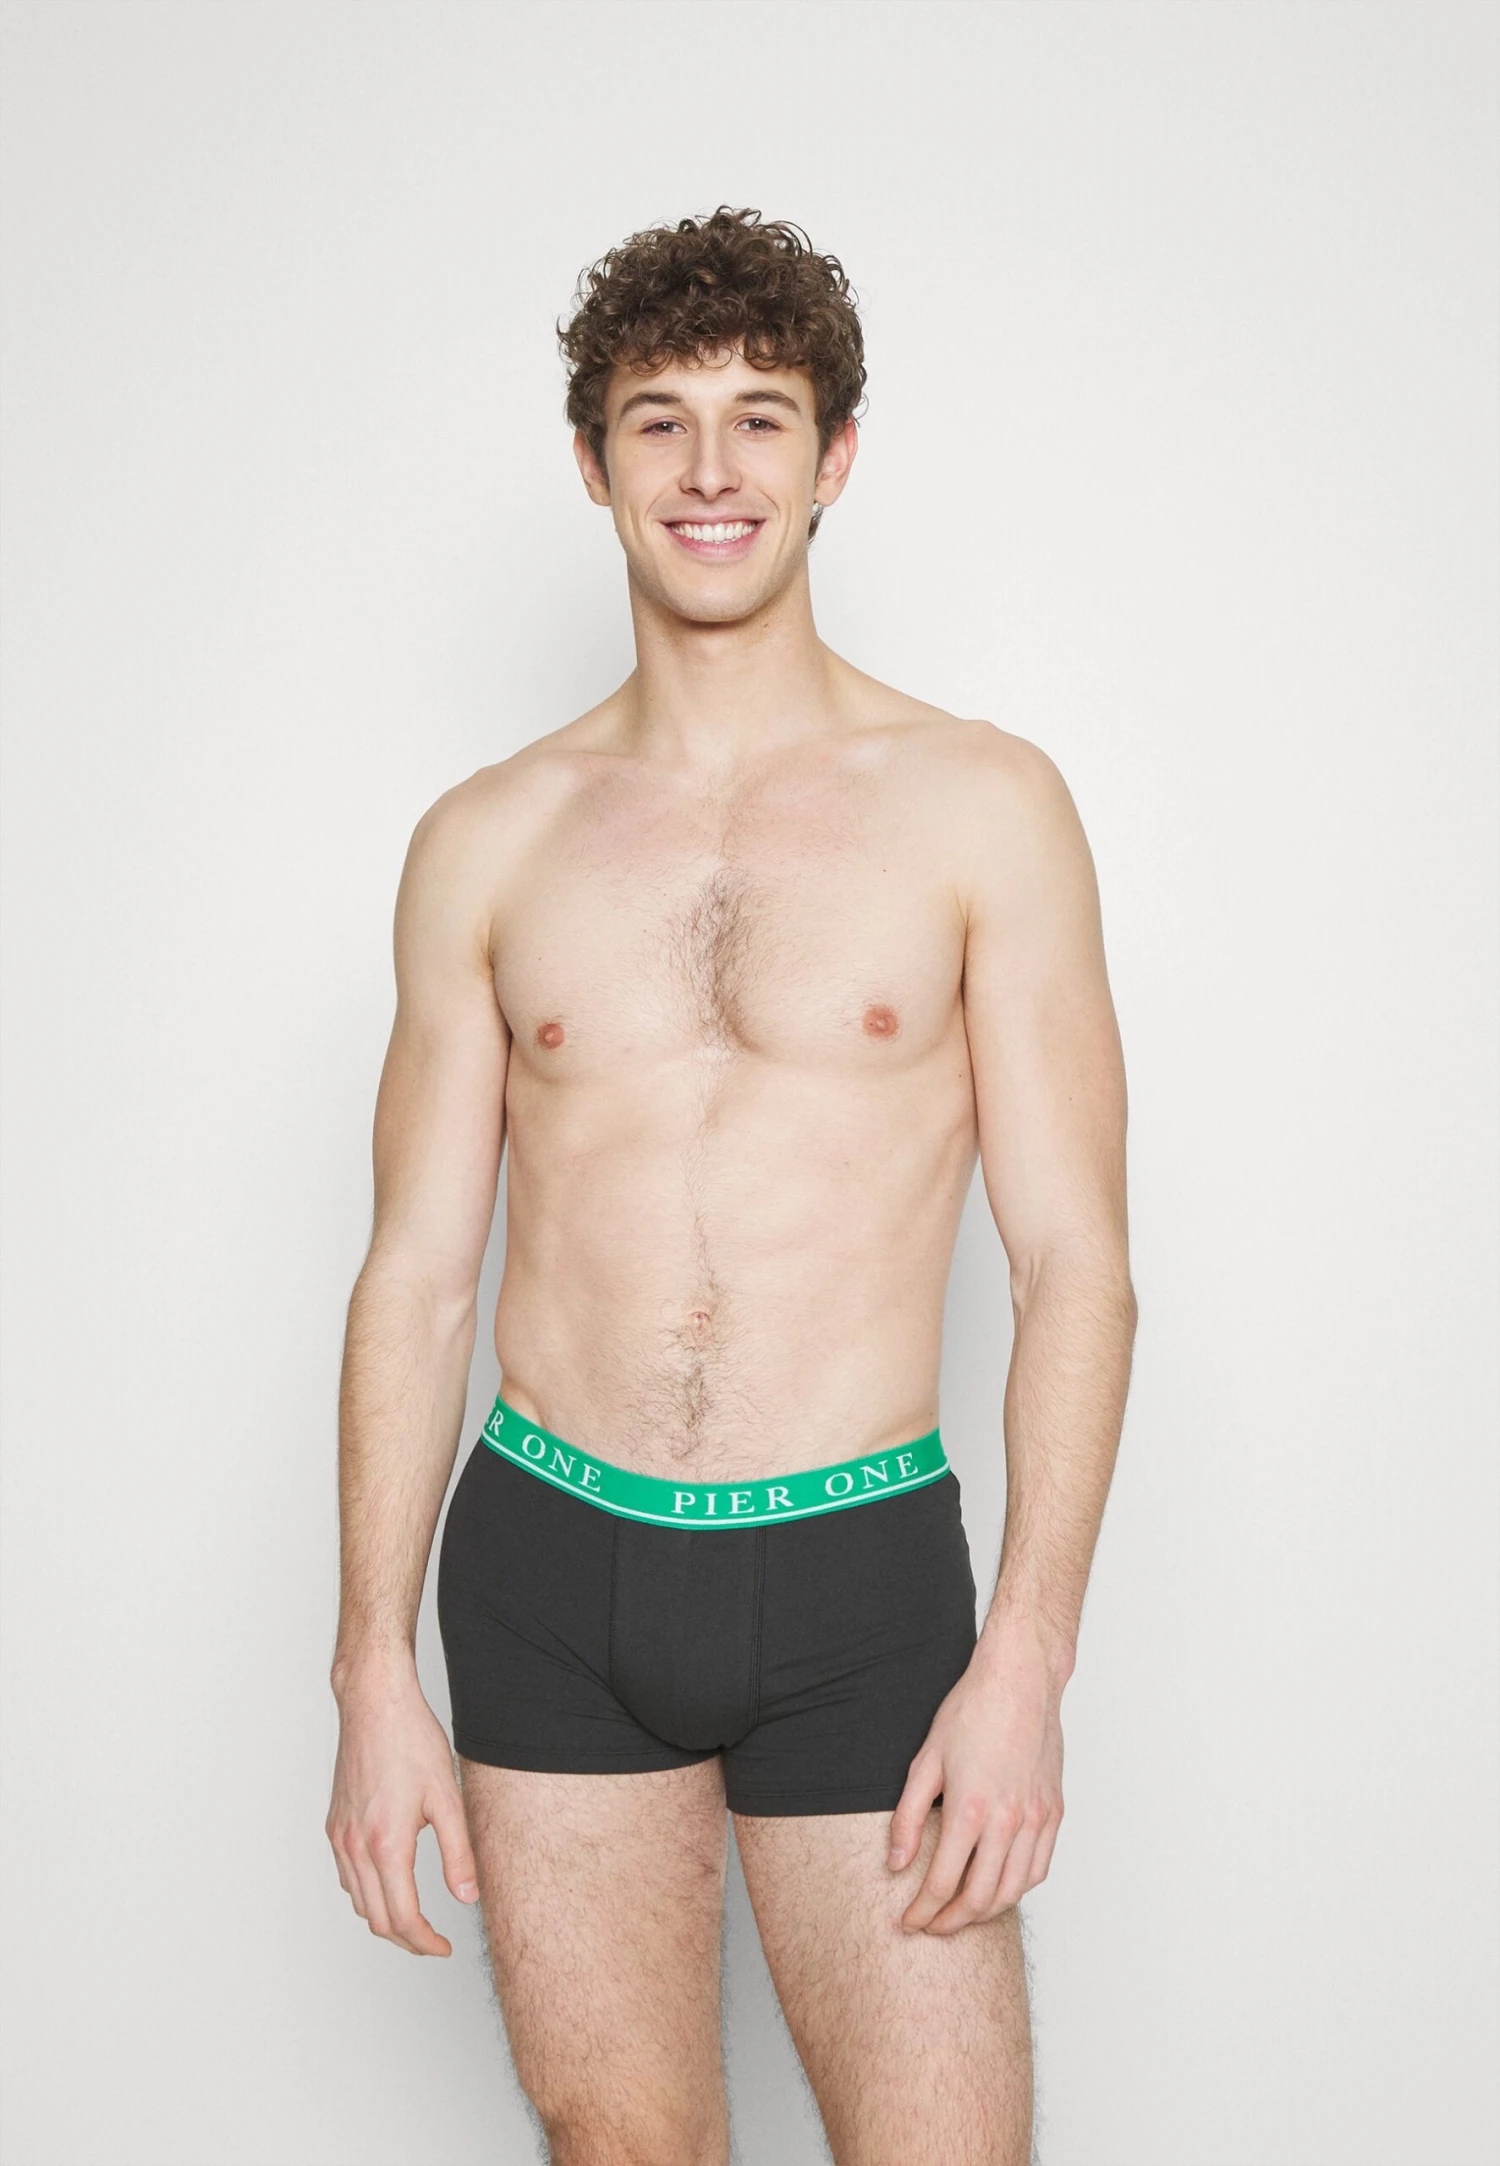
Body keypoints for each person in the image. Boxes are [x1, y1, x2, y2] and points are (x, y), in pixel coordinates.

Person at [325, 206, 1136, 2166]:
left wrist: (1026, 1659)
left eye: (760, 417)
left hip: (858, 1573)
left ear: (833, 456)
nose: (711, 469)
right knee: (624, 2148)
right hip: (549, 1560)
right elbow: (416, 1274)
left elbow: (1075, 1265)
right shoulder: (485, 841)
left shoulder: (983, 805)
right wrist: (367, 1669)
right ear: (592, 460)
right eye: (659, 418)